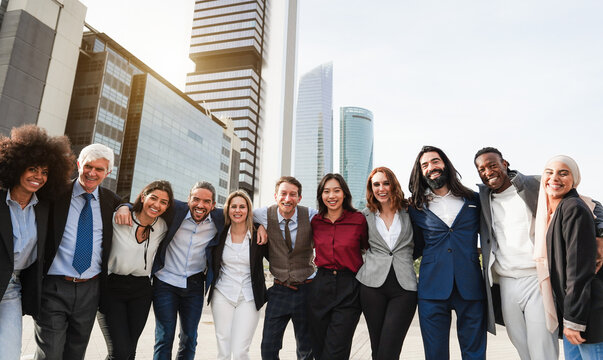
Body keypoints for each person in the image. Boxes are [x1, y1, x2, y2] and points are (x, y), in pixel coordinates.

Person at [35, 143, 122, 360]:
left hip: (90, 290)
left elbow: (130, 205)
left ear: (108, 172)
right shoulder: (55, 193)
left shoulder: (112, 202)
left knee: (76, 353)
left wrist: (126, 207)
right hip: (54, 286)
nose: (92, 173)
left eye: (99, 169)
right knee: (50, 353)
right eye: (88, 166)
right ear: (78, 164)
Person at [0, 125, 74, 360]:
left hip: (12, 289)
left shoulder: (44, 207)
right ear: (16, 166)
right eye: (32, 169)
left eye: (44, 172)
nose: (38, 177)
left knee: (9, 353)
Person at [408, 145, 486, 360]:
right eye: (425, 165)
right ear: (420, 171)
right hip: (432, 289)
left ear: (445, 164)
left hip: (470, 285)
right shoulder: (415, 206)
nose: (431, 167)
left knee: (475, 353)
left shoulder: (474, 199)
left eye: (435, 161)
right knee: (435, 354)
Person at [534, 156, 603, 359]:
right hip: (573, 314)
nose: (554, 178)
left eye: (563, 173)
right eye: (549, 172)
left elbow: (578, 270)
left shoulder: (574, 208)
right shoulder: (557, 209)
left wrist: (574, 320)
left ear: (574, 180)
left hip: (587, 315)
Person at [97, 180, 174, 360]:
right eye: (153, 198)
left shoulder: (162, 226)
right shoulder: (120, 216)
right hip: (112, 288)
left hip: (141, 291)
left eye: (163, 202)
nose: (157, 205)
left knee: (129, 351)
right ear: (143, 195)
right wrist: (124, 205)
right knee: (119, 352)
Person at [356, 167, 417, 360]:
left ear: (393, 185)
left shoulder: (411, 212)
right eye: (376, 184)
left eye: (385, 183)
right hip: (371, 286)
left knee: (390, 347)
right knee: (377, 346)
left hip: (404, 287)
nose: (381, 188)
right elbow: (354, 245)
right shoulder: (364, 216)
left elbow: (422, 242)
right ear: (371, 188)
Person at [253, 176, 317, 360]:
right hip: (279, 290)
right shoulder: (263, 214)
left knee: (306, 350)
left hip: (307, 288)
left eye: (292, 194)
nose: (287, 199)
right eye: (283, 194)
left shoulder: (311, 214)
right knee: (268, 348)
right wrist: (258, 226)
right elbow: (240, 214)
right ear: (275, 195)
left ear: (299, 198)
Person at [308, 173, 368, 360]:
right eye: (326, 191)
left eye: (336, 190)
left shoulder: (359, 219)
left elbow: (368, 248)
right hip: (320, 286)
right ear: (321, 195)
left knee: (337, 350)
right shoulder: (315, 221)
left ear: (344, 194)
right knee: (318, 347)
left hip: (349, 287)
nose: (331, 196)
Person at [207, 190, 267, 360]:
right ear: (228, 209)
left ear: (249, 210)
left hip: (249, 296)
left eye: (242, 206)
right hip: (222, 294)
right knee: (224, 349)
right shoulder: (219, 231)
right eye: (233, 206)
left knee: (240, 350)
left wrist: (261, 225)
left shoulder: (258, 235)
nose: (238, 210)